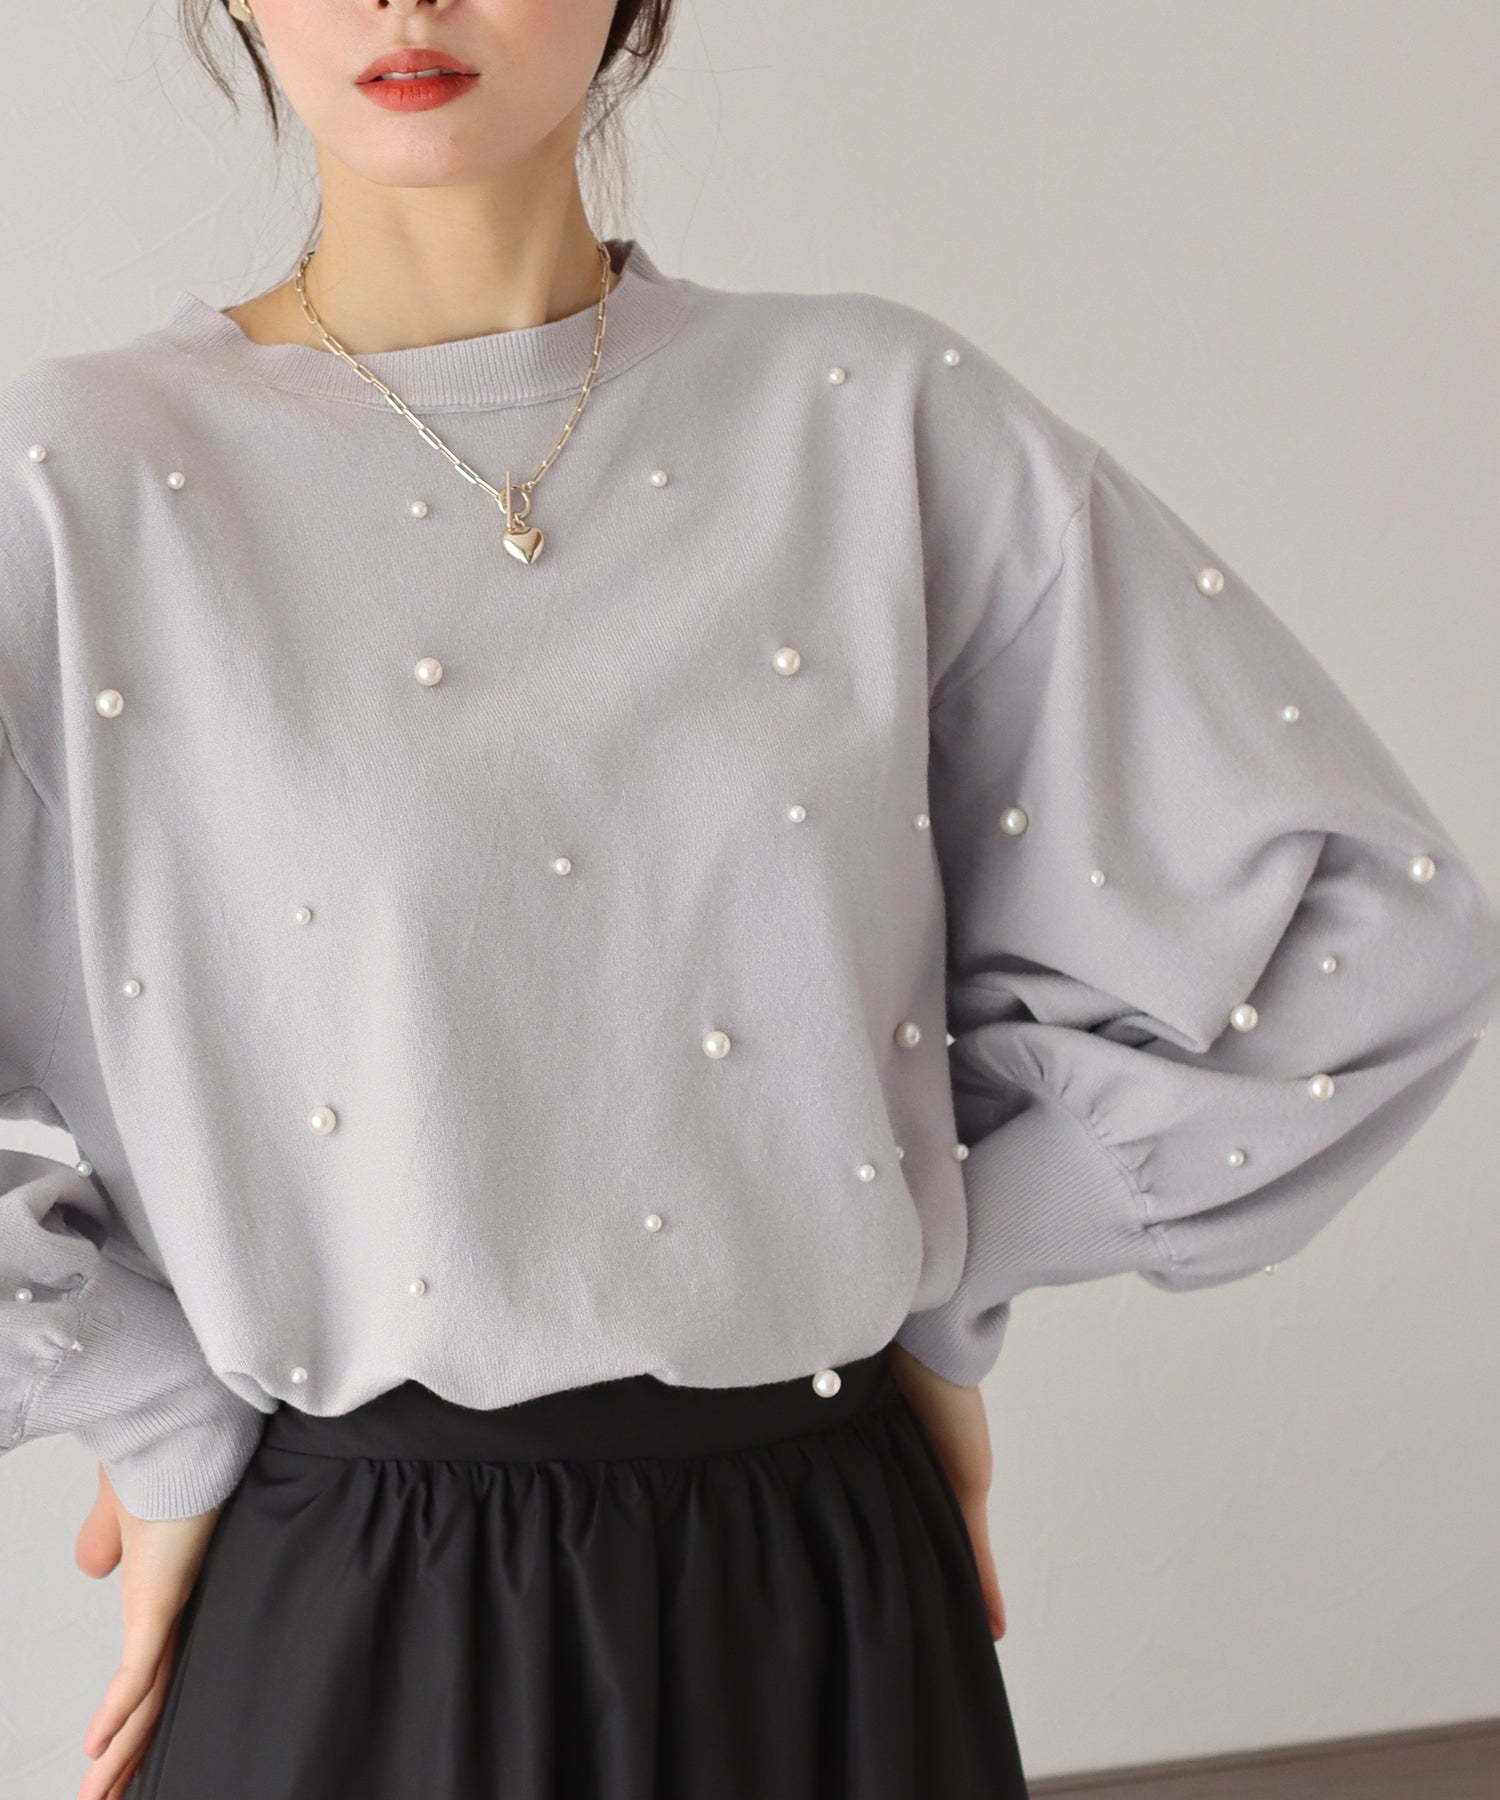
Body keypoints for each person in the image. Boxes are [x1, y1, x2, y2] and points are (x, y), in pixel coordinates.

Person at [2, 2, 1497, 1796]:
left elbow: (1372, 930)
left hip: (826, 1590)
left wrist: (949, 1263)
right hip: (350, 1614)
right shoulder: (79, 480)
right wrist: (144, 1400)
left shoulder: (871, 417)